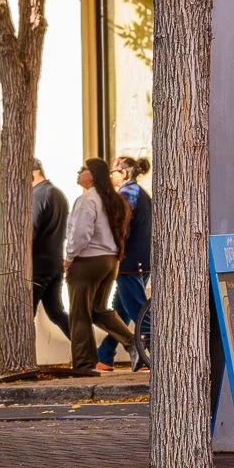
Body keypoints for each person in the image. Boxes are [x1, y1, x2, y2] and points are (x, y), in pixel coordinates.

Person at [64, 157, 134, 375]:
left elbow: (81, 233)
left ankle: (84, 364)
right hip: (110, 261)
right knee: (99, 310)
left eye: (82, 169)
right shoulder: (112, 199)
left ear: (92, 175)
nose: (78, 172)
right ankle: (133, 344)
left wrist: (69, 256)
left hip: (88, 261)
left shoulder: (88, 199)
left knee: (80, 313)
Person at [96, 157, 151, 372]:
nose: (111, 175)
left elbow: (121, 228)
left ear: (124, 173)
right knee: (121, 310)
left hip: (129, 261)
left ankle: (151, 353)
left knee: (138, 310)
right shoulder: (138, 192)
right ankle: (105, 356)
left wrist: (112, 249)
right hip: (139, 260)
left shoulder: (127, 194)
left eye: (114, 171)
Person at [31, 161, 69, 341]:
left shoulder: (37, 195)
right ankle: (87, 352)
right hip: (54, 263)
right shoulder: (58, 193)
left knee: (25, 313)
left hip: (38, 265)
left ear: (35, 171)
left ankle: (21, 358)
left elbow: (30, 230)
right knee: (56, 312)